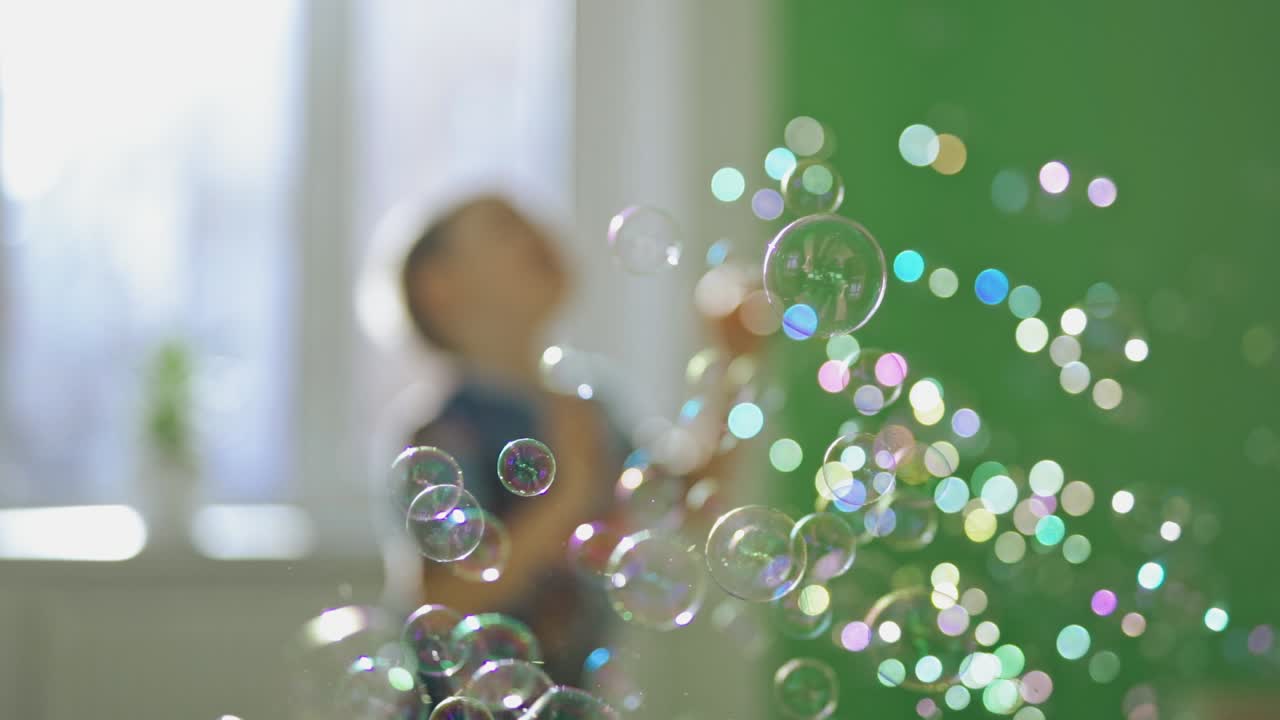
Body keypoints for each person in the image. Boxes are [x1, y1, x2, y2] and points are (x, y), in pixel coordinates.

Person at [399, 194, 626, 688]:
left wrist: (737, 368)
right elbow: (444, 599)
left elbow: (683, 501)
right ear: (441, 287)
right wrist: (573, 491)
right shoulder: (445, 435)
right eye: (505, 226)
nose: (537, 230)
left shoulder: (591, 408)